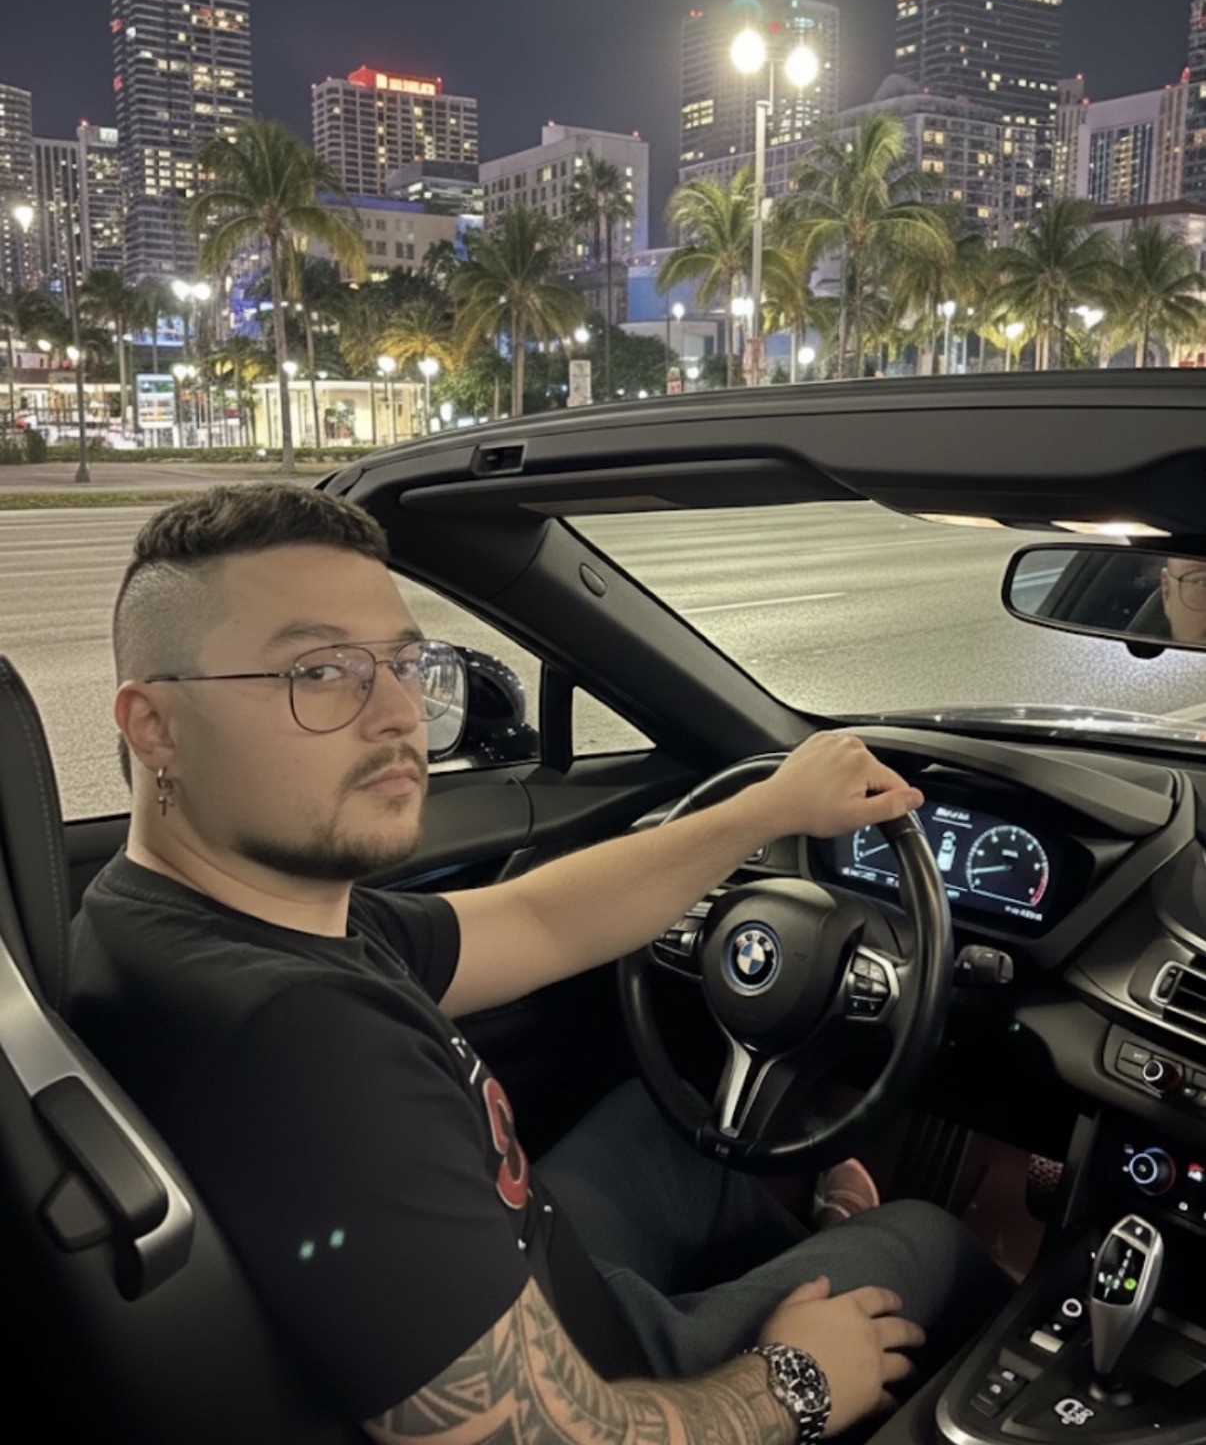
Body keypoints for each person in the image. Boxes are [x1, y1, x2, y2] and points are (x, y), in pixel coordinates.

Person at [69, 484, 1003, 1444]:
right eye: (320, 671)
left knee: (670, 1128)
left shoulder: (169, 910)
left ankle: (810, 1257)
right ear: (155, 726)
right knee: (929, 1243)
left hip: (517, 1275)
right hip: (591, 1384)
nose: (399, 712)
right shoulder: (307, 1046)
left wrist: (766, 809)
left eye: (405, 664)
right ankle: (839, 1307)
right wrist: (792, 1382)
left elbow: (535, 919)